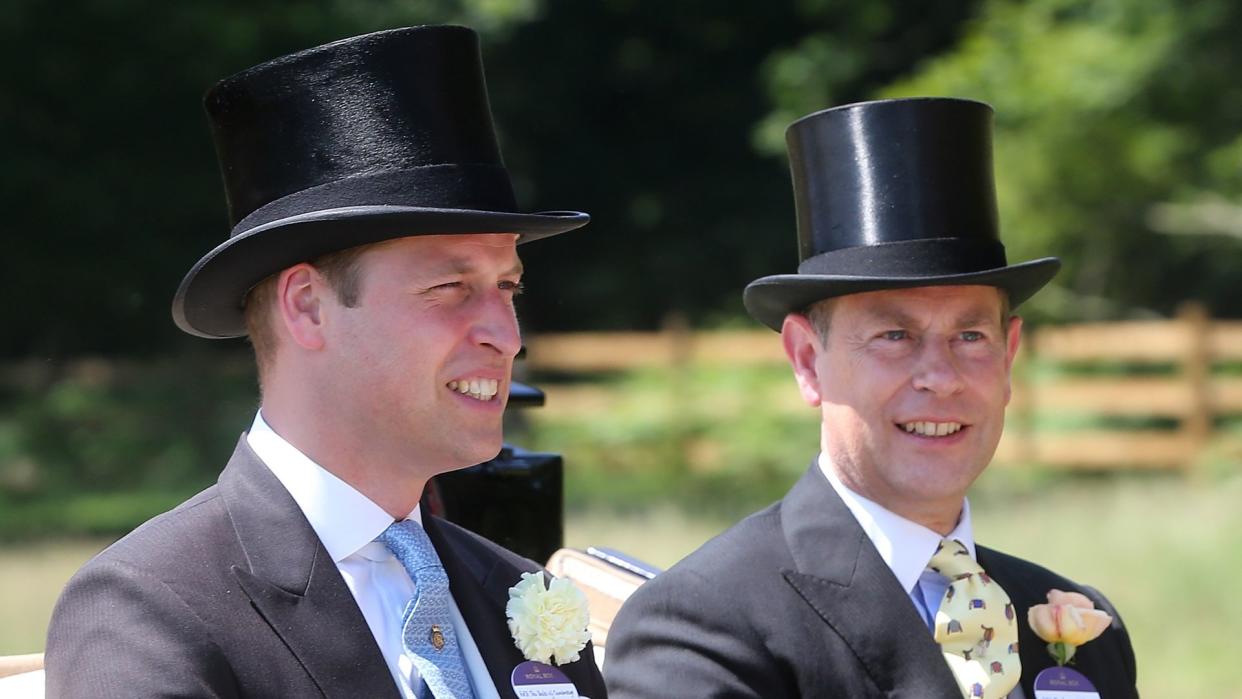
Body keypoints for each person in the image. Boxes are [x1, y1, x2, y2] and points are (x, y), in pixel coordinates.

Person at [46, 26, 606, 699]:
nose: (506, 335)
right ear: (308, 307)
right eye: (450, 287)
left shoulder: (521, 595)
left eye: (508, 286)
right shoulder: (154, 610)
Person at [604, 98, 1138, 698]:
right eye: (894, 336)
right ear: (808, 361)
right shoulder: (703, 627)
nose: (941, 376)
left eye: (970, 336)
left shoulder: (1078, 625)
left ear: (1009, 356)